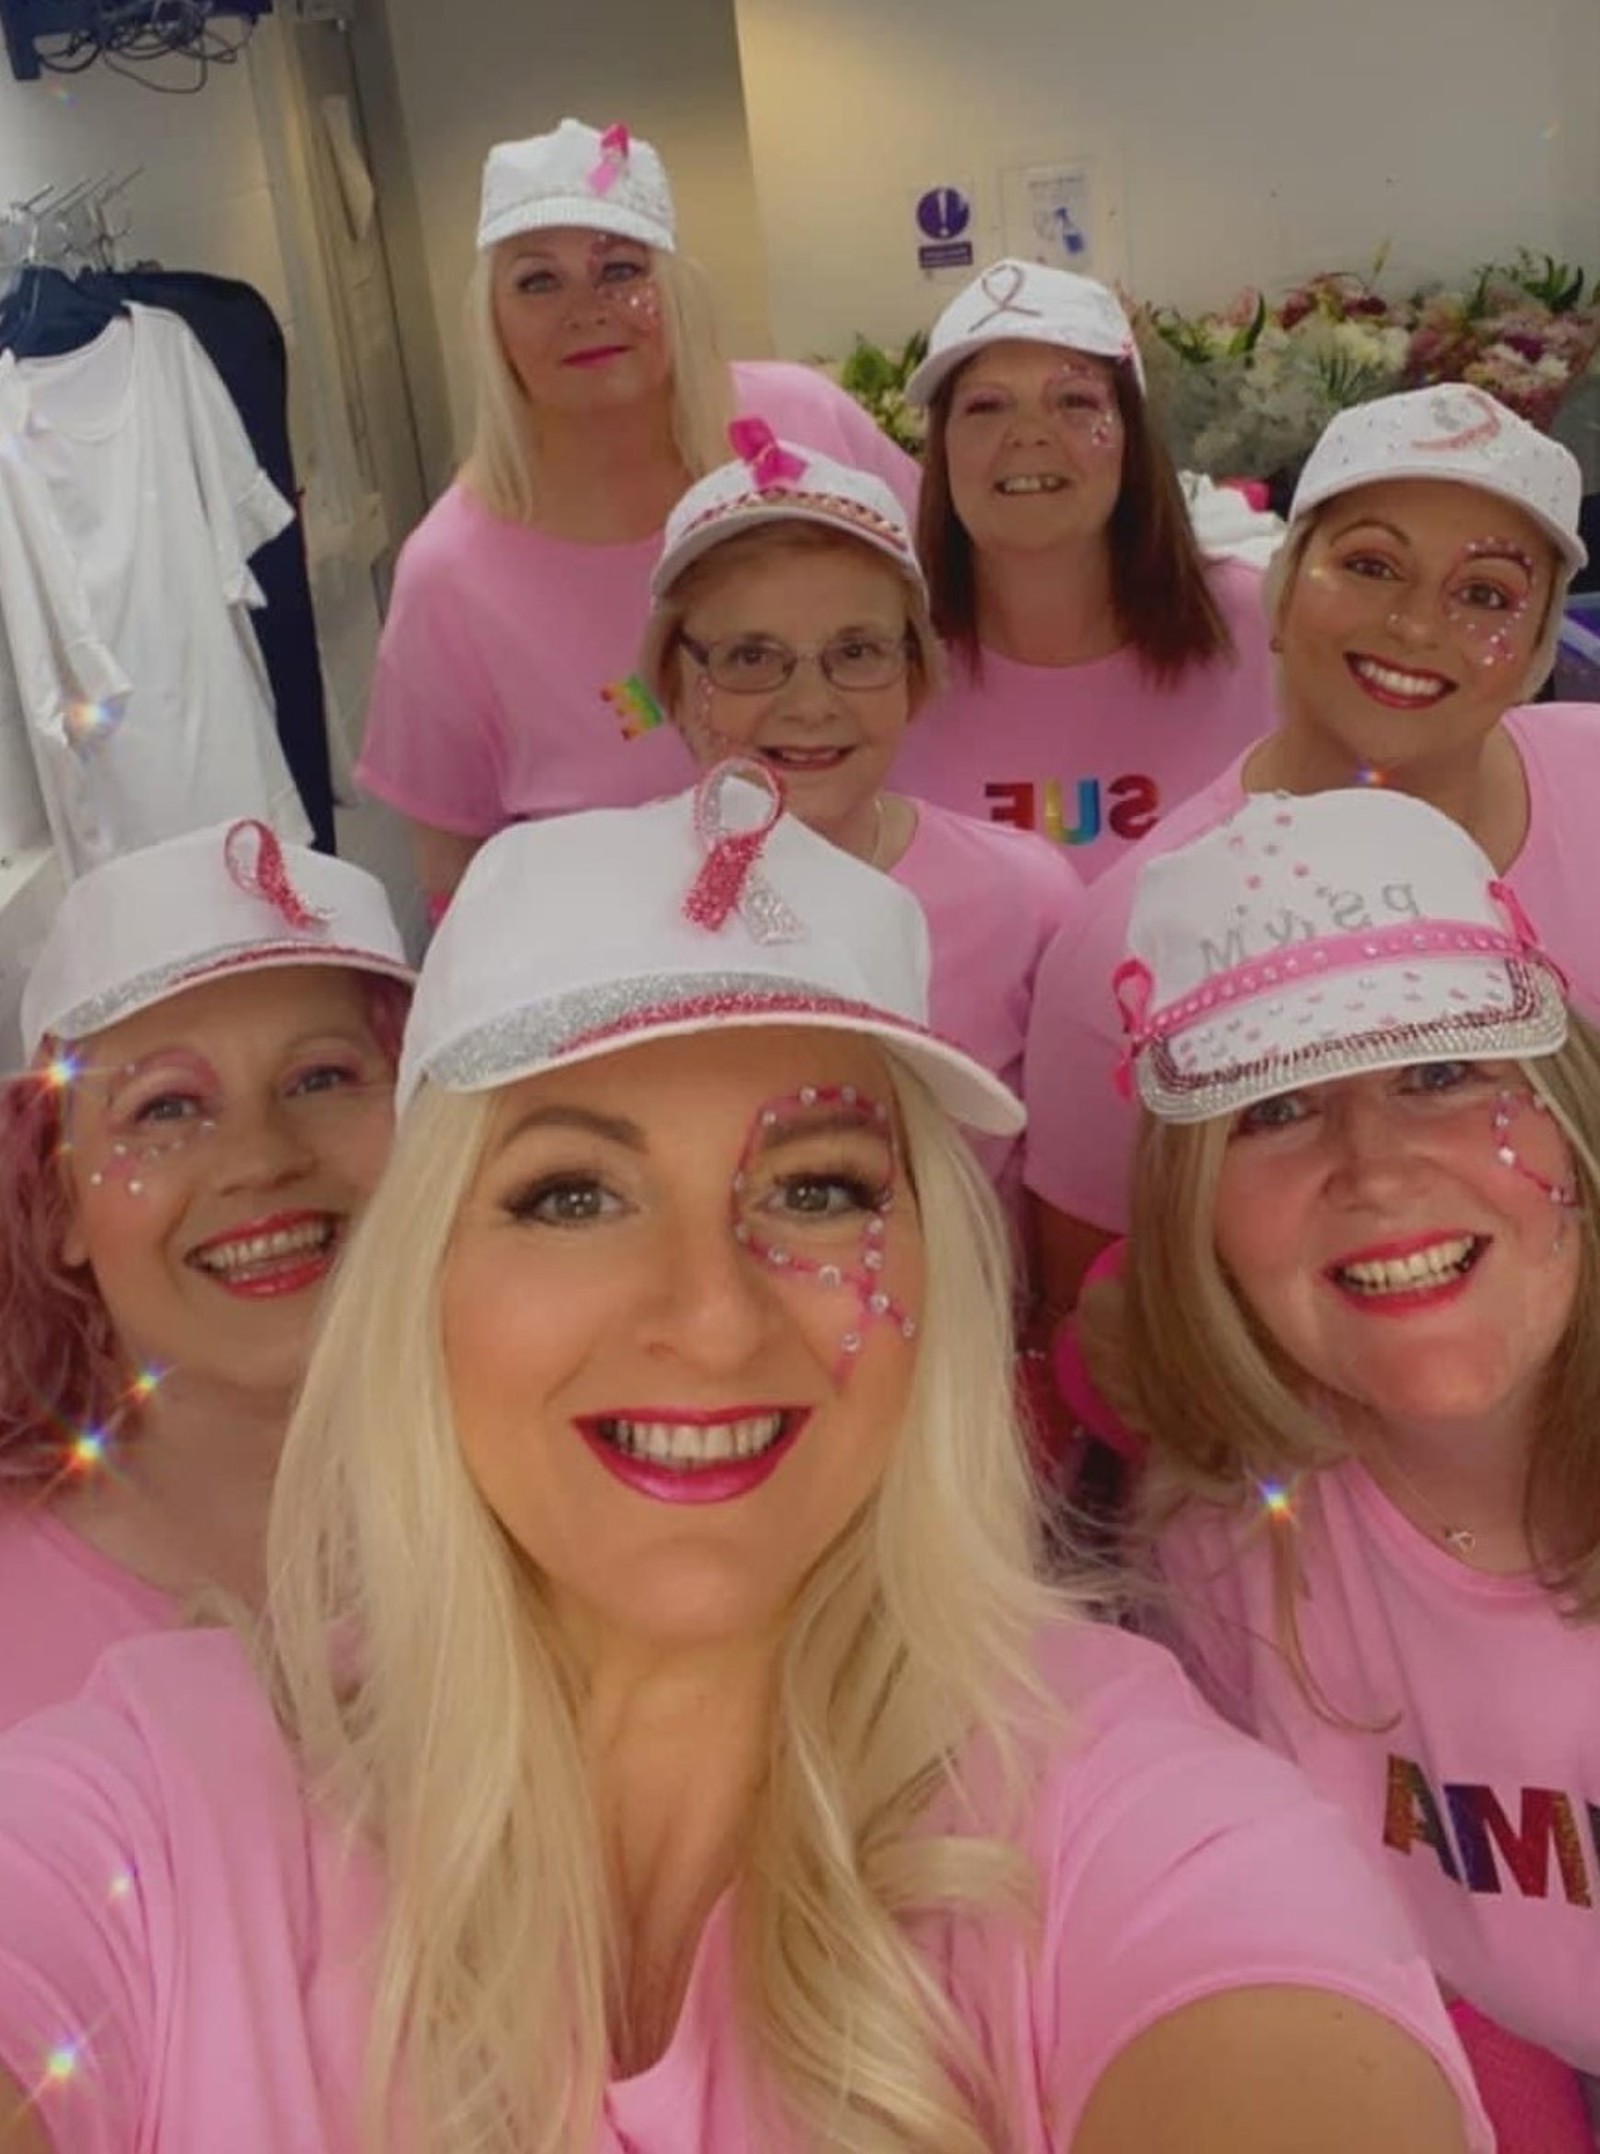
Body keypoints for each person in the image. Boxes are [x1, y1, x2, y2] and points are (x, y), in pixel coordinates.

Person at [0, 768, 1489, 2152]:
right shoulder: (167, 1793)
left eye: (820, 1187)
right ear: (423, 1283)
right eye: (572, 1193)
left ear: (938, 1267)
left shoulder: (1120, 1815)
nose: (710, 1319)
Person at [1083, 783, 1600, 2151]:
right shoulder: (1222, 1546)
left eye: (1442, 1069)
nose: (1375, 1167)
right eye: (1277, 1108)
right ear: (1194, 1219)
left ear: (1572, 1123)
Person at [1024, 382, 1594, 1315]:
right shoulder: (1130, 940)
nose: (1416, 625)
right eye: (1371, 566)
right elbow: (1102, 1326)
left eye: (1485, 593)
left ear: (1537, 652)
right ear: (1280, 599)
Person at [354, 117, 918, 914]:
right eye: (538, 281)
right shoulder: (449, 575)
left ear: (677, 291)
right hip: (632, 998)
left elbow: (968, 624)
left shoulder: (808, 425)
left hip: (898, 927)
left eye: (620, 269)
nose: (587, 309)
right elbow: (456, 880)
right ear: (493, 320)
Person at [0, 819, 411, 1729]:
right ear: (59, 1201)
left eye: (322, 1079)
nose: (258, 1160)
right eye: (168, 1106)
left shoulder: (571, 1502)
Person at [638, 429, 1083, 1218]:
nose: (811, 704)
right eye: (750, 657)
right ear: (676, 678)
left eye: (856, 651)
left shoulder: (1025, 899)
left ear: (914, 673)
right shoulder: (602, 899)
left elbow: (1065, 1206)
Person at [888, 259, 1277, 880]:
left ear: (1130, 435)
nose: (1029, 435)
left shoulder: (1263, 633)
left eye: (1074, 401)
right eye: (986, 406)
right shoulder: (875, 660)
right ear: (938, 448)